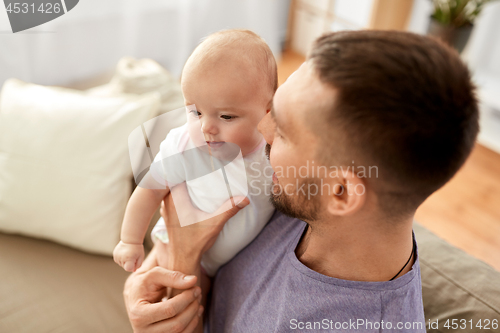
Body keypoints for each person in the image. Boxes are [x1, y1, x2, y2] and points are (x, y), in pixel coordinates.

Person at [123, 30, 479, 333]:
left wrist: (185, 259)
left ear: (340, 193)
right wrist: (151, 283)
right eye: (271, 110)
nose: (262, 131)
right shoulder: (298, 191)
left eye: (285, 131)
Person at [113, 29, 277, 276]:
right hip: (174, 248)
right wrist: (130, 241)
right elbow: (148, 191)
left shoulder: (275, 150)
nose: (206, 127)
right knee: (180, 299)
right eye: (195, 112)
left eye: (226, 116)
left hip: (232, 265)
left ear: (268, 112)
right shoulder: (184, 145)